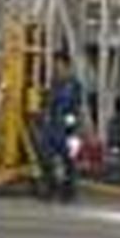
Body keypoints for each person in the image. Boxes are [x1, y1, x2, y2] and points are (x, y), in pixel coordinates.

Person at [38, 52, 83, 203]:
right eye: (56, 65)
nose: (57, 68)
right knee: (46, 158)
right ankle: (50, 189)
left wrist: (71, 128)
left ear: (67, 65)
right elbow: (49, 104)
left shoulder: (74, 84)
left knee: (69, 161)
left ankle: (68, 193)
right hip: (53, 126)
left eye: (60, 65)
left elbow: (74, 107)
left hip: (68, 127)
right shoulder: (54, 83)